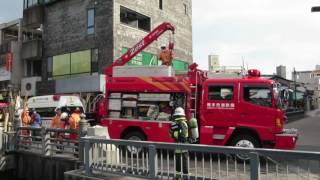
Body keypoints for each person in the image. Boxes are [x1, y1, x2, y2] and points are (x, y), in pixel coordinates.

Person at [170, 107, 189, 178]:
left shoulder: (175, 124)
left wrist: (174, 134)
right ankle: (185, 175)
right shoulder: (184, 123)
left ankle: (178, 176)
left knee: (178, 160)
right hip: (184, 143)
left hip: (178, 143)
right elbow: (185, 134)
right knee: (185, 159)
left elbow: (172, 134)